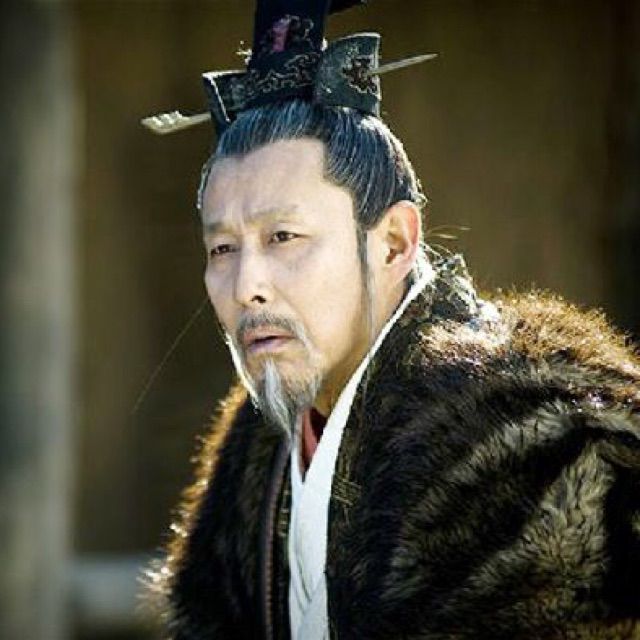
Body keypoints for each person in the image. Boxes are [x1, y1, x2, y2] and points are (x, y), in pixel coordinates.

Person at [143, 1, 640, 638]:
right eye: (222, 249)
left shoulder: (531, 438)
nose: (247, 288)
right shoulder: (260, 445)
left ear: (395, 243)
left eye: (284, 237)